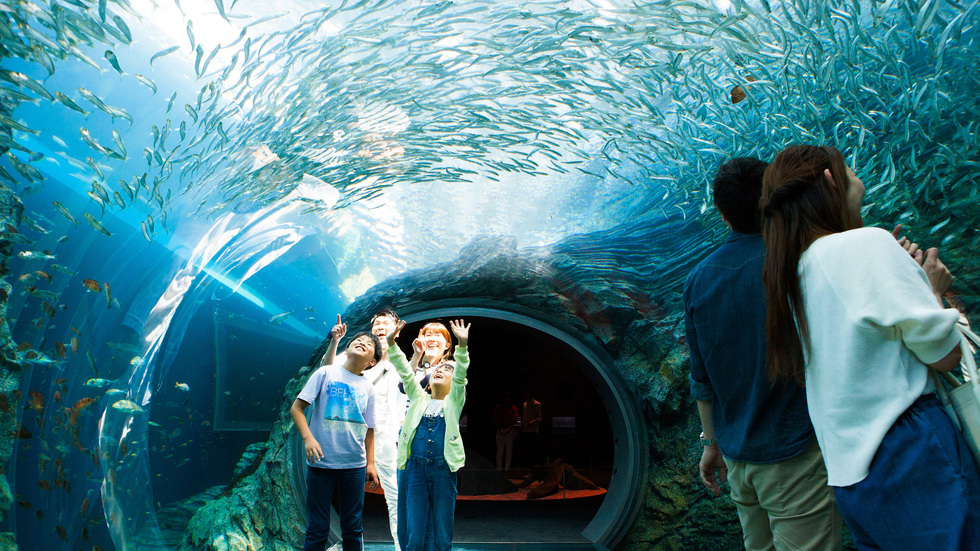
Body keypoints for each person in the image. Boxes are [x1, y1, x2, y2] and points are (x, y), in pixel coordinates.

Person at [759, 144, 980, 550]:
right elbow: (945, 354)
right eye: (851, 169)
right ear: (830, 179)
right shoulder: (865, 244)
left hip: (853, 478)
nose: (859, 178)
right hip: (912, 453)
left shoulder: (792, 278)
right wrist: (932, 290)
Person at [684, 157, 841, 551]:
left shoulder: (697, 279)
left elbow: (701, 379)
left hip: (739, 457)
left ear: (721, 213)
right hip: (795, 452)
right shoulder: (794, 266)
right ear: (772, 200)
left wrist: (711, 443)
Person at [290, 329, 381, 551]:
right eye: (357, 340)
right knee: (317, 526)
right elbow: (297, 408)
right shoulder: (325, 373)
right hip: (321, 463)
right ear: (347, 348)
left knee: (352, 526)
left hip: (354, 465)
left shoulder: (368, 388)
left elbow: (370, 429)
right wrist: (308, 438)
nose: (361, 343)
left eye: (368, 344)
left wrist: (370, 462)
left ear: (372, 362)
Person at [321, 309, 404, 549]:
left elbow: (403, 404)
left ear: (397, 329)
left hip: (386, 440)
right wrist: (335, 341)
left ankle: (402, 546)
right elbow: (325, 371)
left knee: (395, 497)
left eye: (386, 323)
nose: (380, 326)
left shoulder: (402, 362)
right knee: (346, 497)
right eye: (377, 323)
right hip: (348, 437)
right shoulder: (356, 355)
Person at [386, 318, 471, 551]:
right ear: (428, 384)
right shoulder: (418, 396)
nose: (441, 371)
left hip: (442, 468)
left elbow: (461, 372)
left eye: (447, 370)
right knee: (414, 524)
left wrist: (462, 345)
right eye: (439, 370)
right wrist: (391, 341)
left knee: (443, 528)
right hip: (413, 467)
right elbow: (404, 371)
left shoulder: (454, 402)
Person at [494, 391, 519, 472]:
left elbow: (514, 420)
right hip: (500, 430)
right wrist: (500, 429)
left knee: (508, 451)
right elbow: (496, 419)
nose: (506, 400)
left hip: (510, 431)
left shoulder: (513, 408)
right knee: (500, 451)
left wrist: (508, 429)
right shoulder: (498, 407)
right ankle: (499, 468)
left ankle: (507, 469)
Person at [521, 391, 542, 467]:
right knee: (526, 451)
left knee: (533, 451)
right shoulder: (525, 404)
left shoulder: (537, 404)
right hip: (525, 430)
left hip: (533, 431)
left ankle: (533, 470)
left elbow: (540, 418)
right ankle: (527, 469)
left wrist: (533, 421)